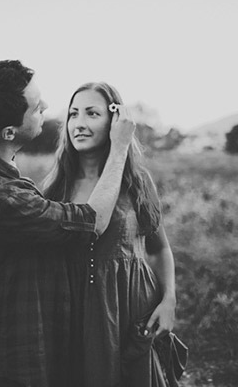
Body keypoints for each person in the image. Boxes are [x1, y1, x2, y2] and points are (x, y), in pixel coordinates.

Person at [0, 61, 136, 387]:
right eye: (35, 106)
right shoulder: (1, 196)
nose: (46, 106)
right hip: (0, 353)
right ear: (9, 132)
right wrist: (120, 150)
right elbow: (92, 222)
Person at [43, 82, 177, 387]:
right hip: (73, 311)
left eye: (92, 114)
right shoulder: (55, 187)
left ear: (116, 123)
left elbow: (158, 249)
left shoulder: (137, 182)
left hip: (130, 308)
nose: (79, 123)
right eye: (73, 114)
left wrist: (169, 301)